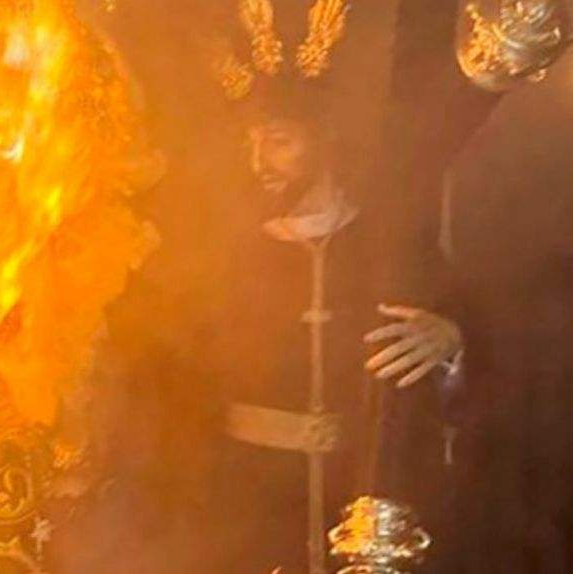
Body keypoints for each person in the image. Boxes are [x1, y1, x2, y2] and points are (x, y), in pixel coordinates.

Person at [194, 0, 570, 572]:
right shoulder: (224, 257)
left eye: (279, 141)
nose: (259, 163)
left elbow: (497, 352)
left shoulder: (388, 248)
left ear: (323, 142)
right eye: (250, 145)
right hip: (251, 510)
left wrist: (452, 342)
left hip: (361, 491)